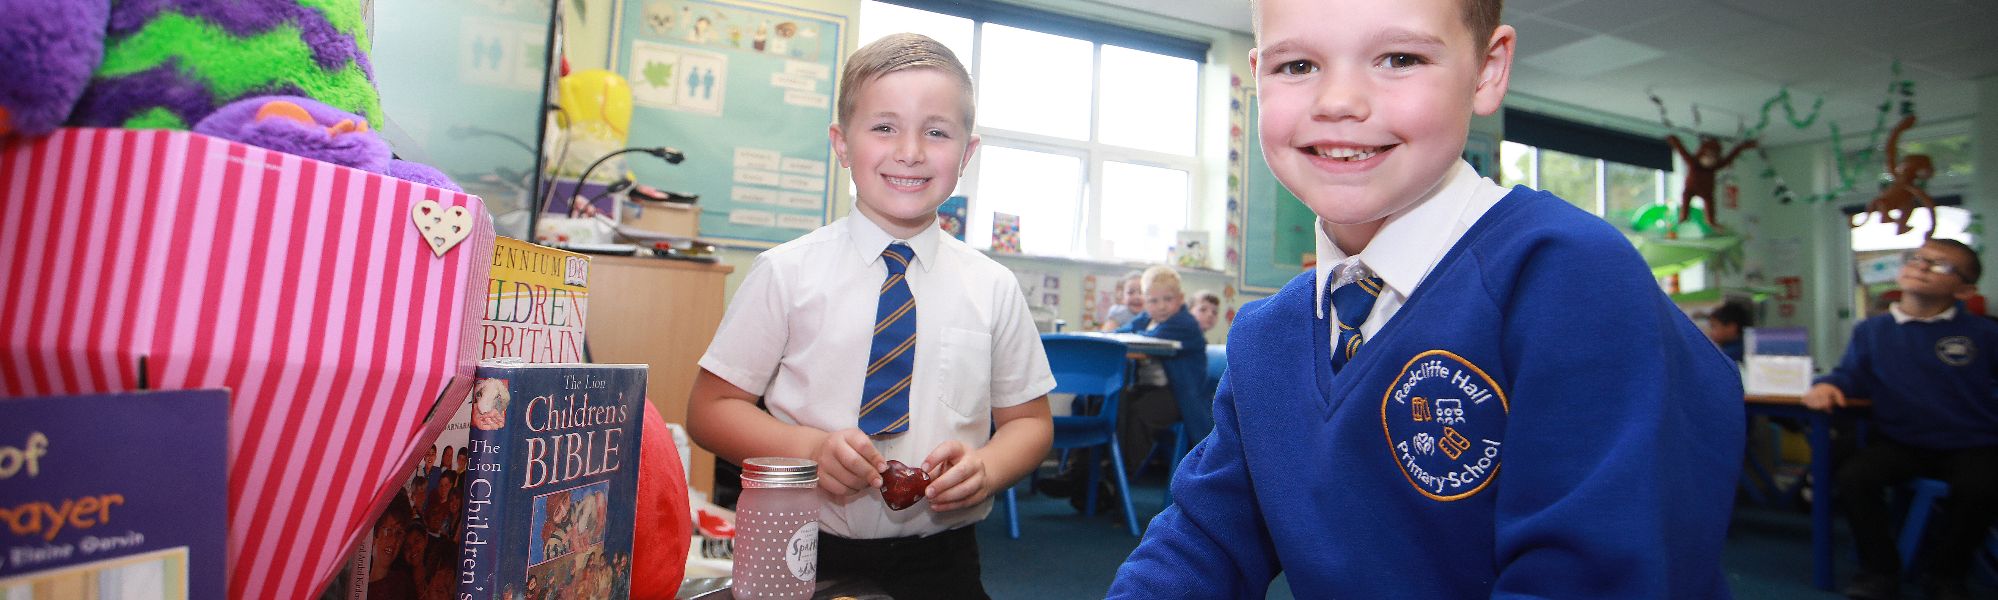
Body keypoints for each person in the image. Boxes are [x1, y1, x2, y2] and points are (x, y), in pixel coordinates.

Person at [1109, 0, 1743, 597]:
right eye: (1297, 66)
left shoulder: (1568, 275)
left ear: (1488, 71)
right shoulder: (1268, 334)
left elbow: (1596, 572)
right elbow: (1200, 540)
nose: (1339, 102)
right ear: (1258, 77)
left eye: (1400, 59)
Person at [687, 33, 1055, 600]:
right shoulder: (785, 273)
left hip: (943, 560)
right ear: (841, 142)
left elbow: (1029, 423)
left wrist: (986, 468)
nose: (910, 150)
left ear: (967, 152)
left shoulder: (993, 287)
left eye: (936, 132)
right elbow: (710, 410)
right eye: (884, 127)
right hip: (803, 543)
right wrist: (809, 451)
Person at [1804, 239, 1998, 600]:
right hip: (1902, 440)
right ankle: (1879, 571)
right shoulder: (1872, 330)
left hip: (1971, 442)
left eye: (1941, 265)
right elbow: (1851, 375)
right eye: (1916, 258)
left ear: (1965, 289)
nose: (1922, 266)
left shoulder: (1984, 333)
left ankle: (1947, 576)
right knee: (1855, 476)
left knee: (1981, 488)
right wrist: (1827, 384)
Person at [1039, 266, 1208, 511]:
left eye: (1167, 300)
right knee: (1106, 401)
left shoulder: (1183, 322)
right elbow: (1122, 332)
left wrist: (1128, 331)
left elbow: (1152, 337)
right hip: (1148, 389)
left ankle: (1116, 479)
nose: (1160, 306)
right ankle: (1080, 473)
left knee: (1140, 413)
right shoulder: (1148, 319)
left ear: (1180, 300)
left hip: (1179, 396)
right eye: (1153, 300)